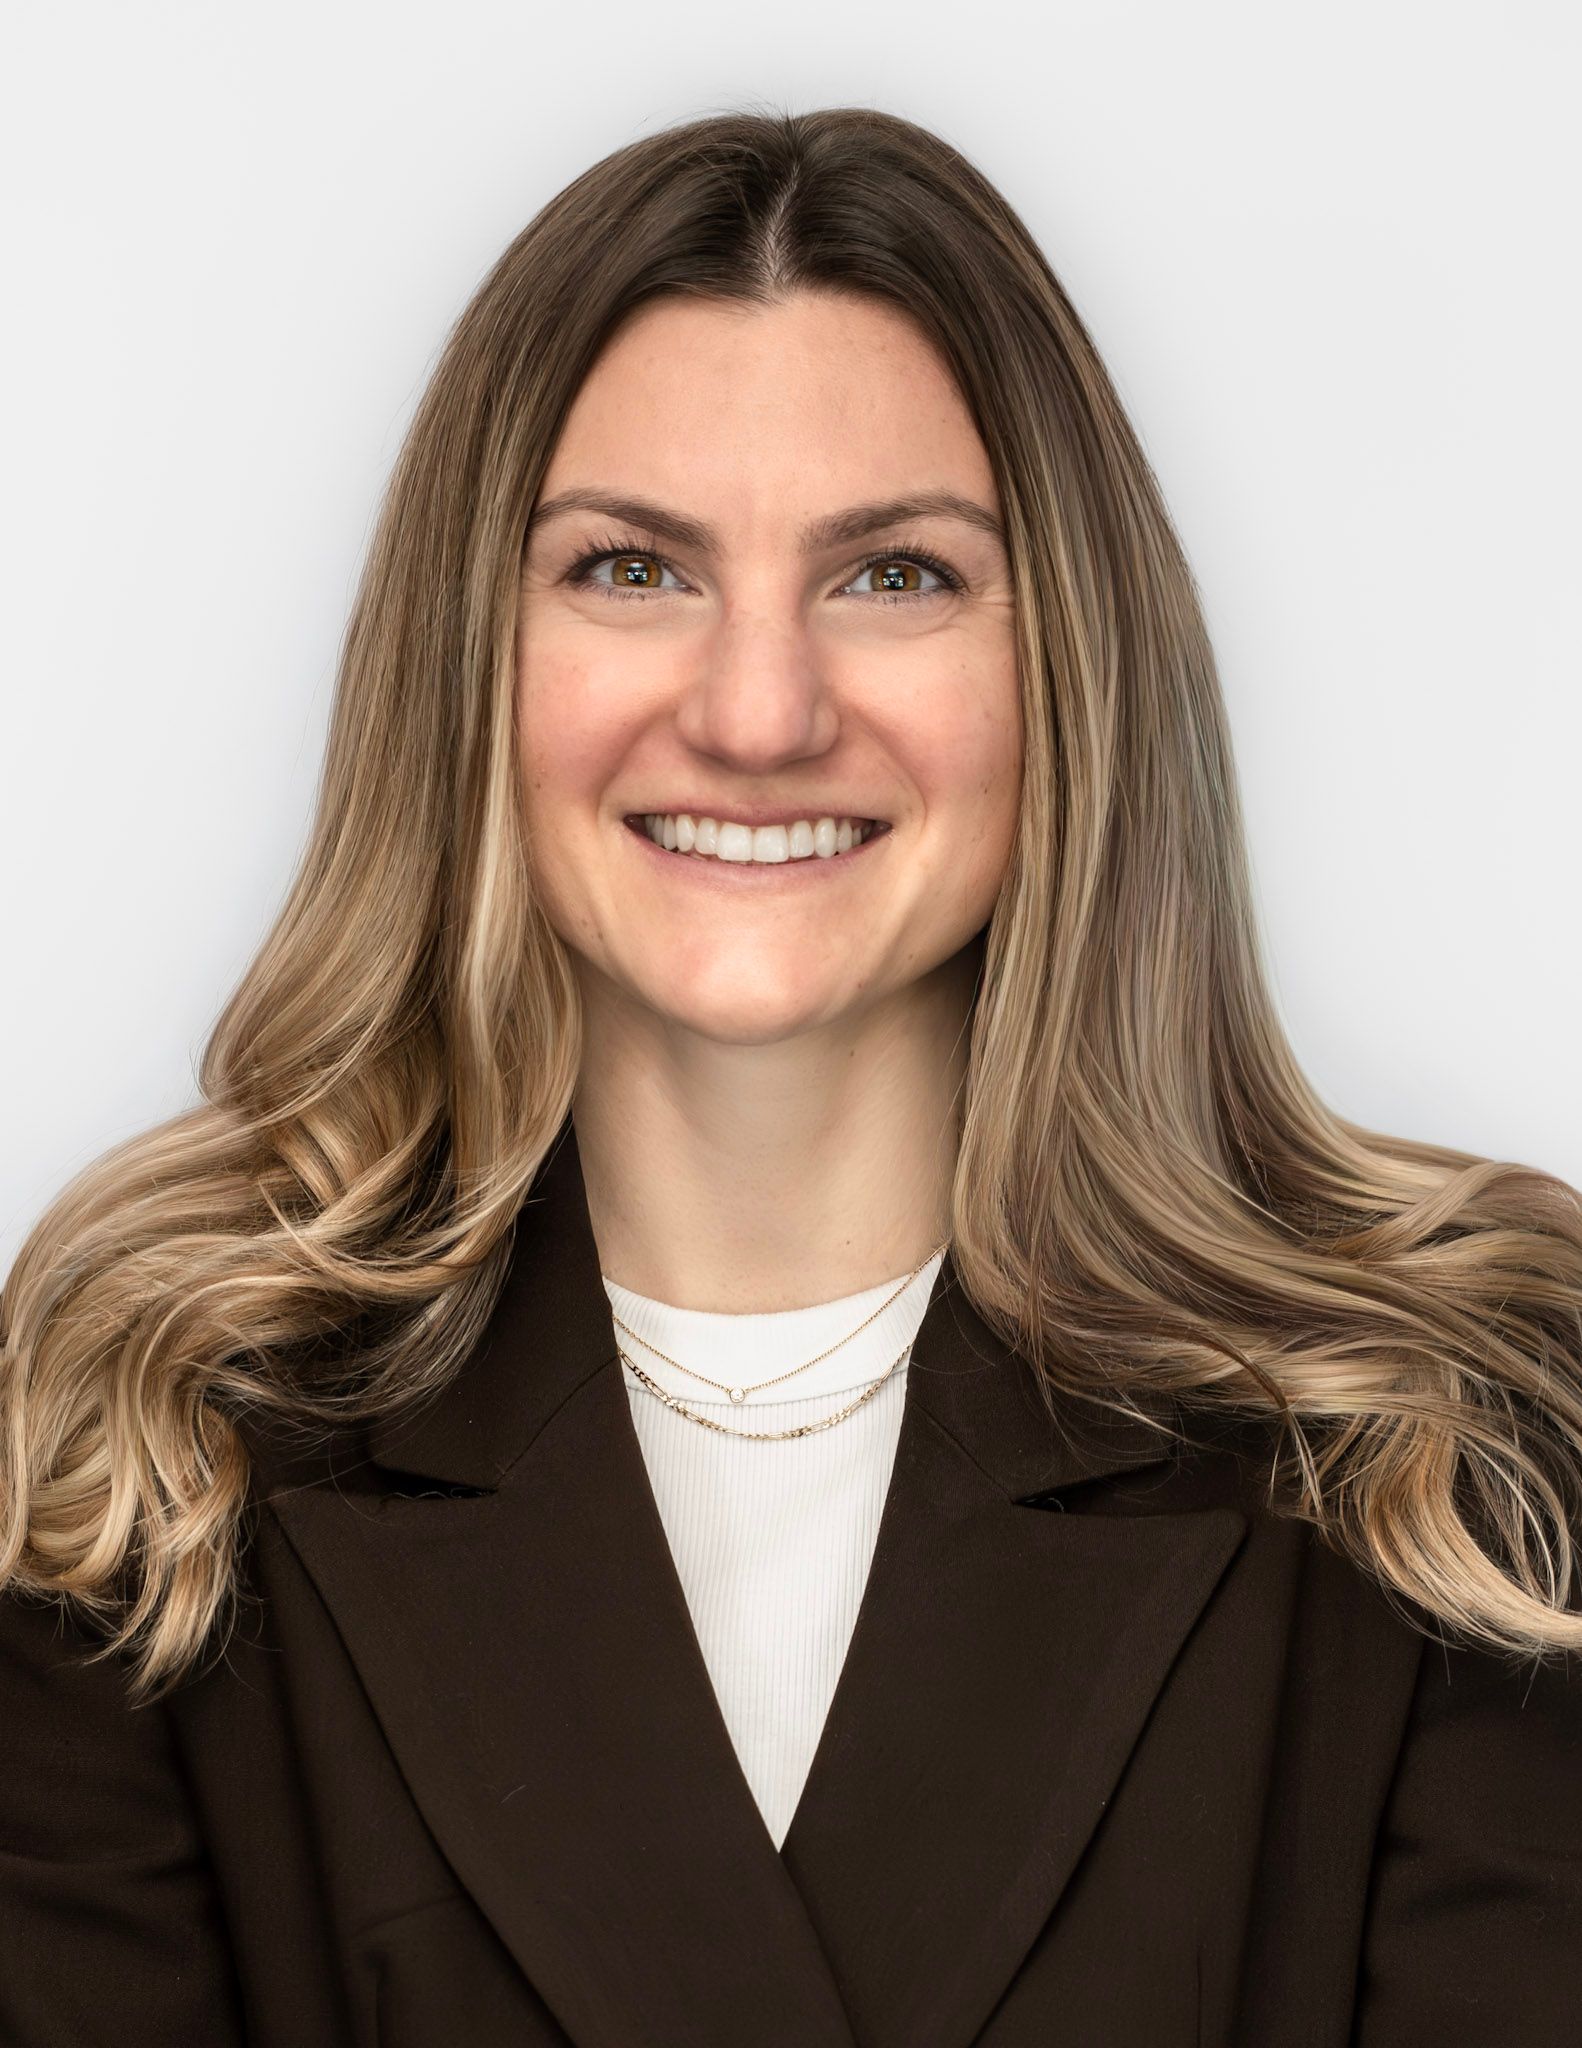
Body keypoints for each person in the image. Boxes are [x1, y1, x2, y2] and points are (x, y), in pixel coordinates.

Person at [3, 104, 1580, 2048]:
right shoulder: (141, 1451)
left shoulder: (1455, 1451)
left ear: (1066, 662)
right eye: (630, 570)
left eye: (896, 577)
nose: (758, 710)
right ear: (464, 662)